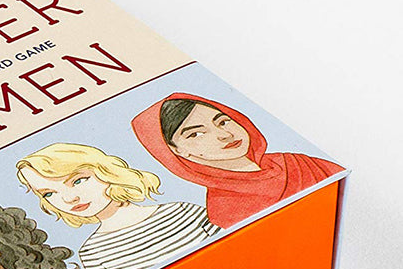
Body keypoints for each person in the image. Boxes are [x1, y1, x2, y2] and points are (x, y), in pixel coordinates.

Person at [17, 143, 219, 269]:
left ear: (105, 172)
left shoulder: (182, 212)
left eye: (78, 181)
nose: (69, 198)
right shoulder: (93, 253)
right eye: (49, 193)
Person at [131, 93, 345, 228]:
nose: (224, 135)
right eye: (196, 134)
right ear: (176, 151)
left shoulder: (295, 162)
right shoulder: (223, 209)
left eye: (223, 121)